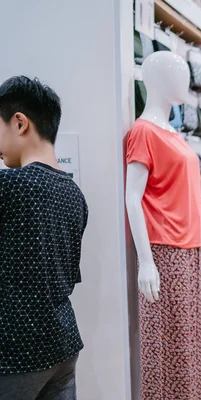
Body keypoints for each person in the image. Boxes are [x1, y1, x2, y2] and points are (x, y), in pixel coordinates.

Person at [0, 76, 88, 400]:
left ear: (19, 123)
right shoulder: (75, 195)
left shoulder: (9, 185)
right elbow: (68, 277)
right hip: (64, 342)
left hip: (15, 351)